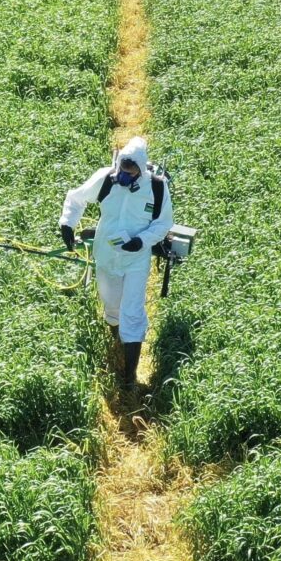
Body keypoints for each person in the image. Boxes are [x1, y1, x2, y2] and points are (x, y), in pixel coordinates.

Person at [60, 136, 173, 390]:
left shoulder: (156, 188)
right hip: (106, 255)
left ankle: (129, 378)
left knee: (131, 312)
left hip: (135, 258)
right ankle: (118, 345)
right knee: (112, 307)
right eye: (123, 169)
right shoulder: (105, 179)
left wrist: (142, 240)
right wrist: (67, 223)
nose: (125, 176)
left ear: (141, 171)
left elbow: (163, 223)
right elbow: (75, 198)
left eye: (131, 172)